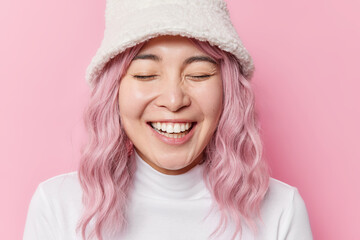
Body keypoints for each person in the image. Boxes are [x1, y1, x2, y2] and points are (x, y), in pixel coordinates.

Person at [23, 0, 313, 239]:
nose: (174, 101)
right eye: (146, 75)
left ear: (227, 91)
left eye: (198, 74)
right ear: (115, 92)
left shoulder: (281, 210)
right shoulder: (58, 206)